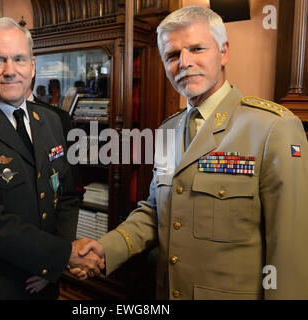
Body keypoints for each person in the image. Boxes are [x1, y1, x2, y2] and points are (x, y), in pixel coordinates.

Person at [70, 6, 308, 299]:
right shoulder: (170, 128)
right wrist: (107, 249)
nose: (184, 63)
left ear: (223, 53)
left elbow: (290, 251)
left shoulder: (273, 128)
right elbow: (157, 210)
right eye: (172, 55)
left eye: (197, 49)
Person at [0, 17, 102, 300]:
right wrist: (61, 256)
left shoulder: (51, 121)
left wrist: (49, 266)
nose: (10, 71)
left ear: (33, 66)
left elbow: (67, 197)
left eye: (19, 59)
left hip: (43, 282)